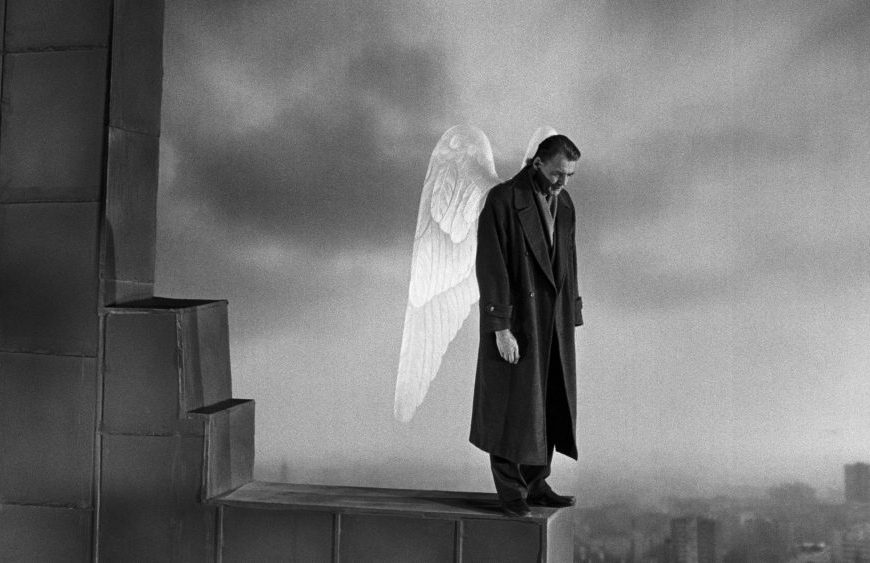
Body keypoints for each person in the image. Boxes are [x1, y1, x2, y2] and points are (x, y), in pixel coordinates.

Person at [470, 134, 583, 517]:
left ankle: (537, 484)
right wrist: (500, 327)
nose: (562, 182)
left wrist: (572, 314)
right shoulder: (503, 200)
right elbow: (491, 265)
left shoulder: (565, 205)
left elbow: (569, 261)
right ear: (537, 163)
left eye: (569, 175)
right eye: (557, 173)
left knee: (548, 403)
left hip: (554, 322)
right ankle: (511, 491)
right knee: (511, 405)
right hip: (519, 321)